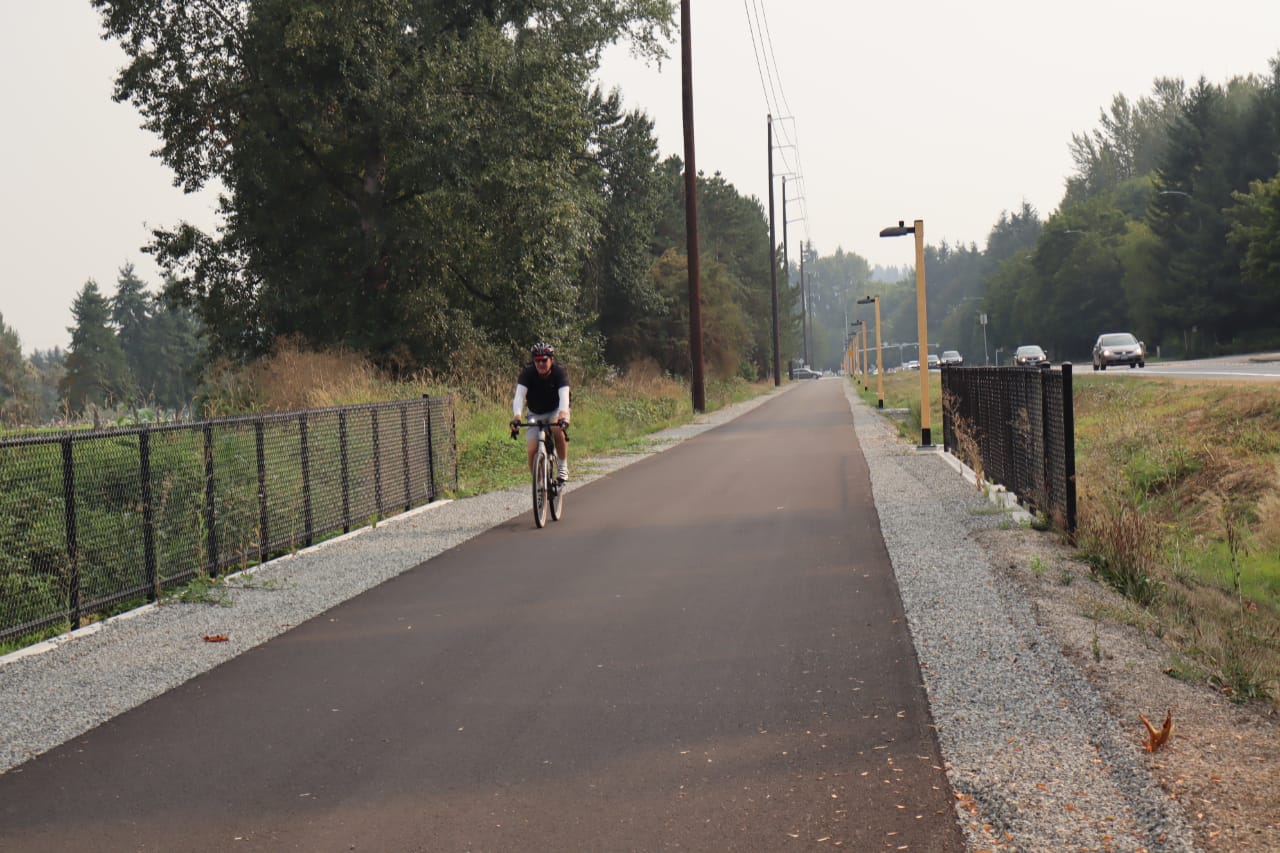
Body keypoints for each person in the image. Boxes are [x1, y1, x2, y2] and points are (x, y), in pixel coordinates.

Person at [511, 341, 571, 482]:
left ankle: (562, 466)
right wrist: (517, 416)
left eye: (544, 360)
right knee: (532, 451)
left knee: (556, 429)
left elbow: (564, 396)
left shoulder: (559, 372)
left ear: (551, 360)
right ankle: (539, 486)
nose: (540, 364)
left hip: (556, 409)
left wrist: (563, 415)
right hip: (535, 413)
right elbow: (519, 396)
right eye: (537, 361)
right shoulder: (528, 373)